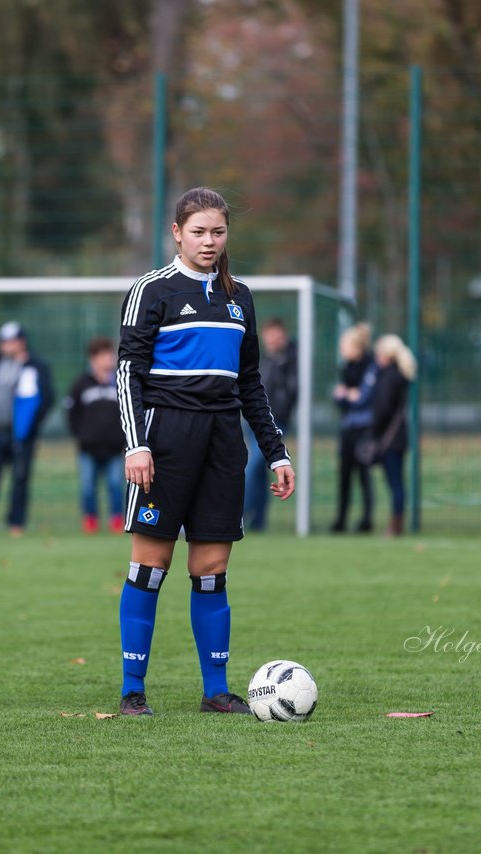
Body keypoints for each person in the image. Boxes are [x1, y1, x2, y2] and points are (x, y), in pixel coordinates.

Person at [117, 187, 295, 716]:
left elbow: (249, 383)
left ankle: (215, 690)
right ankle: (133, 689)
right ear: (177, 233)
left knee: (212, 568)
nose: (209, 241)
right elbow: (128, 372)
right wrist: (137, 444)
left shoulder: (240, 297)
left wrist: (277, 453)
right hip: (166, 437)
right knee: (150, 566)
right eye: (199, 231)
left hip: (222, 441)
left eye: (218, 232)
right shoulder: (152, 290)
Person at [0, 321, 54, 536]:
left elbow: (46, 398)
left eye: (11, 341)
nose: (6, 346)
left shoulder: (36, 366)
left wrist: (31, 426)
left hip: (21, 436)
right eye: (3, 342)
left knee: (20, 478)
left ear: (21, 342)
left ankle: (16, 523)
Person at [63, 336, 124, 533]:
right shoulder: (82, 383)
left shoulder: (120, 382)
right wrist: (81, 435)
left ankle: (117, 519)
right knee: (88, 487)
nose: (109, 359)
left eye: (110, 354)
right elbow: (71, 412)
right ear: (94, 358)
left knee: (115, 485)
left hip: (114, 447)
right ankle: (90, 520)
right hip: (88, 448)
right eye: (104, 355)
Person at [243, 317, 297, 531]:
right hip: (253, 422)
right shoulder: (266, 359)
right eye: (269, 336)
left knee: (252, 466)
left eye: (277, 335)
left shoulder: (291, 359)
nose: (272, 340)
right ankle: (259, 522)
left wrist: (277, 413)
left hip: (275, 423)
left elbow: (292, 391)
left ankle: (240, 513)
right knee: (259, 471)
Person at [369, 334, 418, 537]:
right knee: (396, 483)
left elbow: (383, 408)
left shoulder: (389, 376)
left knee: (395, 484)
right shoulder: (400, 375)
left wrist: (373, 430)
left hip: (390, 439)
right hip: (397, 438)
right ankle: (396, 523)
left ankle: (395, 525)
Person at [330, 323, 374, 533]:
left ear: (357, 347)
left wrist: (347, 396)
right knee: (344, 476)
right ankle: (341, 520)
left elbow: (363, 397)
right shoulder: (346, 368)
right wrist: (348, 396)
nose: (342, 350)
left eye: (344, 345)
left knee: (364, 476)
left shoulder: (370, 367)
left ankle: (366, 520)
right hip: (348, 428)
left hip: (363, 430)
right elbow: (342, 397)